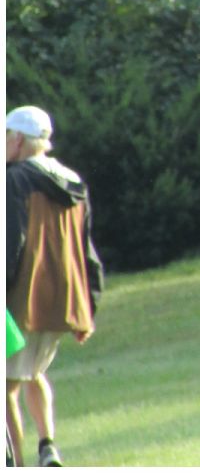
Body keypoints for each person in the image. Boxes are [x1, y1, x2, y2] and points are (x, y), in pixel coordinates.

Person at [6, 105, 105, 468]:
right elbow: (87, 249)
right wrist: (88, 306)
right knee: (33, 372)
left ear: (18, 139)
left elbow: (11, 243)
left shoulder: (13, 180)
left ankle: (14, 462)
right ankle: (47, 447)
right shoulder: (73, 182)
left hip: (21, 302)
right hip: (63, 302)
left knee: (6, 386)